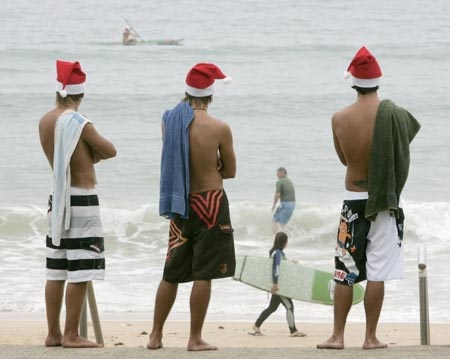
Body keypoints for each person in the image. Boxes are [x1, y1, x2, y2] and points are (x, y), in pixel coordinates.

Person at [317, 47, 420, 350]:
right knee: (377, 273)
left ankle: (337, 336)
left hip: (352, 201)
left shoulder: (339, 118)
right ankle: (370, 337)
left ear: (353, 82)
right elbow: (402, 144)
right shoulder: (395, 115)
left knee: (344, 272)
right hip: (383, 203)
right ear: (378, 80)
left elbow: (343, 159)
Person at [148, 63, 236, 351]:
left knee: (171, 271)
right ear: (211, 95)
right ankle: (194, 338)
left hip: (181, 203)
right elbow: (231, 171)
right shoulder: (220, 127)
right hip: (210, 202)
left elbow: (175, 158)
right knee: (203, 273)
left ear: (186, 91)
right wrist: (216, 165)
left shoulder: (169, 122)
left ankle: (155, 336)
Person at [39, 60, 116, 348]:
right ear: (79, 95)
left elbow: (65, 155)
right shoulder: (78, 122)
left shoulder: (45, 120)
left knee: (56, 269)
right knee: (81, 268)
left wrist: (86, 153)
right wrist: (92, 153)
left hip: (56, 198)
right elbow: (110, 150)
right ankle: (72, 334)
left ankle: (53, 333)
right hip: (80, 198)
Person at [250, 232, 306, 338]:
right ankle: (293, 331)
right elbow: (276, 268)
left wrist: (290, 263)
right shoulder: (278, 253)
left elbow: (282, 267)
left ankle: (256, 325)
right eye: (287, 241)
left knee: (272, 307)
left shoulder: (276, 252)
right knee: (289, 306)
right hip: (279, 286)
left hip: (277, 284)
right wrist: (275, 284)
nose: (287, 243)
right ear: (284, 242)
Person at [271, 167, 296, 234]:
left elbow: (277, 195)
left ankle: (274, 238)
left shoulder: (280, 182)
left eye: (279, 174)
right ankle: (291, 235)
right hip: (292, 204)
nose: (277, 175)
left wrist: (274, 204)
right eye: (277, 174)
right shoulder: (289, 181)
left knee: (275, 221)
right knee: (282, 223)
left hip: (285, 204)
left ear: (284, 173)